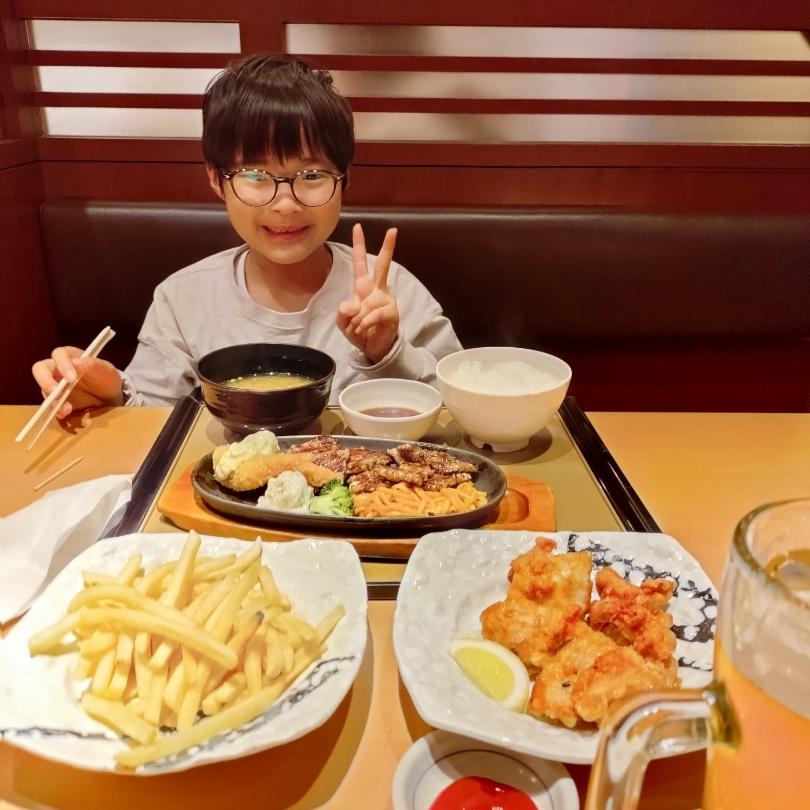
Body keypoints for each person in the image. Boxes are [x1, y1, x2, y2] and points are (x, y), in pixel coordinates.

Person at [32, 53, 461, 415]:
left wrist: (388, 351)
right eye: (255, 175)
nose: (286, 203)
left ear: (344, 178)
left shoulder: (393, 291)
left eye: (312, 175)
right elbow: (154, 423)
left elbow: (459, 414)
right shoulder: (183, 300)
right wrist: (111, 397)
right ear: (216, 179)